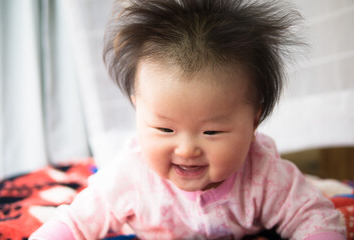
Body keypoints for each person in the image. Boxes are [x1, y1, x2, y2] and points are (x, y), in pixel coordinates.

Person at [30, 0, 347, 239]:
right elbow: (73, 222)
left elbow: (314, 216)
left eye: (211, 131)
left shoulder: (264, 173)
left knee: (311, 191)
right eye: (164, 128)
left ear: (254, 120)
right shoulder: (130, 177)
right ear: (136, 107)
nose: (186, 150)